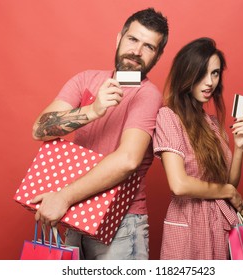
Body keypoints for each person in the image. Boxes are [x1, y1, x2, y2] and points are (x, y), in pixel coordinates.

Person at [29, 8, 168, 260]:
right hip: (74, 217)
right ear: (119, 39)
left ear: (157, 56)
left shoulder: (148, 95)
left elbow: (127, 160)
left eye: (148, 46)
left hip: (121, 225)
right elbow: (39, 129)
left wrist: (63, 197)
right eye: (133, 39)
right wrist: (93, 110)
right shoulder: (85, 80)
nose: (136, 51)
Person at [153, 37, 243, 259]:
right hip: (187, 222)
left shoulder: (212, 123)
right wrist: (228, 192)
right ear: (186, 73)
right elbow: (179, 185)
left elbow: (229, 183)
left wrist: (239, 148)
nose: (210, 82)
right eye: (203, 73)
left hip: (217, 225)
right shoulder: (168, 117)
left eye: (215, 73)